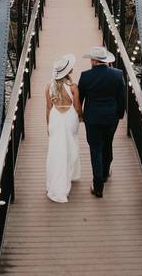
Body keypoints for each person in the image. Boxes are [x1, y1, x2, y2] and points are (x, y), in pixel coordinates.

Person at [77, 45, 125, 198]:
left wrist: (80, 115)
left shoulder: (85, 76)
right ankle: (105, 173)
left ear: (93, 61)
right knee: (108, 143)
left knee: (95, 149)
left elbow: (80, 98)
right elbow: (121, 98)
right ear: (105, 60)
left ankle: (98, 186)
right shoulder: (118, 74)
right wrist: (120, 114)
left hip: (92, 118)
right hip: (111, 118)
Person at [45, 54, 81, 203]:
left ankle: (56, 181)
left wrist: (48, 125)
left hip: (55, 117)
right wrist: (80, 117)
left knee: (56, 149)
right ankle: (69, 173)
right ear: (67, 72)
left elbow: (48, 107)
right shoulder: (73, 87)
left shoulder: (48, 87)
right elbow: (77, 106)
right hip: (69, 117)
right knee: (71, 146)